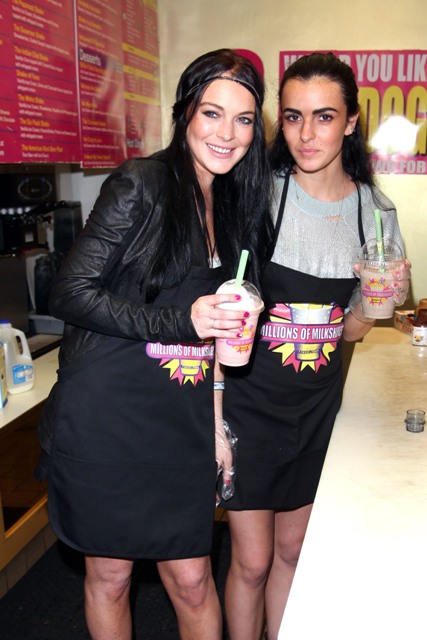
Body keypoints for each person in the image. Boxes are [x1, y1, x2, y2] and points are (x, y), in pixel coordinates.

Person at [37, 48, 272, 640]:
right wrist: (180, 320)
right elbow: (69, 292)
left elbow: (213, 339)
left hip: (179, 414)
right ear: (184, 112)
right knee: (112, 575)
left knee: (193, 580)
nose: (227, 134)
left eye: (243, 119)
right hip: (108, 415)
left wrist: (215, 423)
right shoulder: (142, 183)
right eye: (212, 113)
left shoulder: (234, 204)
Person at [219, 52, 410, 640]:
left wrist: (375, 303)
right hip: (249, 403)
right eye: (293, 116)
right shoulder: (256, 196)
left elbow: (348, 330)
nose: (306, 134)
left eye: (324, 117)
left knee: (293, 550)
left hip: (317, 407)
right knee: (252, 560)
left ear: (350, 122)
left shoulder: (375, 215)